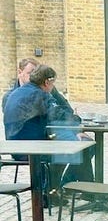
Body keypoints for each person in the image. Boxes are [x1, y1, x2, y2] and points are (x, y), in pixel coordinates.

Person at [3, 64, 94, 195]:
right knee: (81, 148)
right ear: (47, 82)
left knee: (73, 148)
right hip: (31, 149)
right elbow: (59, 115)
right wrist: (77, 122)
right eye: (53, 83)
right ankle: (80, 191)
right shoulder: (40, 95)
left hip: (16, 144)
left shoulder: (19, 92)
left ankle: (54, 189)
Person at [2, 57, 73, 113]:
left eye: (37, 73)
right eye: (30, 73)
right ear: (20, 72)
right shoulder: (9, 97)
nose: (34, 77)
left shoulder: (48, 88)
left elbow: (67, 109)